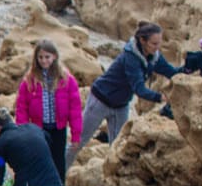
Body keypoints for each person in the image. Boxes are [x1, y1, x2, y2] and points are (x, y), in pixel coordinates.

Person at [68, 22, 181, 167]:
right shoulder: (131, 58)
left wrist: (190, 69)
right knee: (78, 142)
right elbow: (139, 89)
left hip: (120, 106)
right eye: (154, 43)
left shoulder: (154, 56)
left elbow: (171, 72)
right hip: (100, 100)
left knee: (117, 148)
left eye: (159, 43)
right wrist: (159, 97)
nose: (157, 47)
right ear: (142, 40)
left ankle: (110, 182)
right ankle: (56, 177)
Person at [14, 39, 82, 184]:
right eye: (40, 57)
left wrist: (76, 135)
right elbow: (22, 108)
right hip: (39, 129)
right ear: (36, 59)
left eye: (47, 57)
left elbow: (75, 108)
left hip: (59, 128)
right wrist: (23, 132)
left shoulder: (66, 78)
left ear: (54, 57)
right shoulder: (30, 80)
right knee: (38, 162)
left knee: (58, 164)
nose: (44, 61)